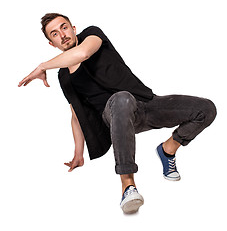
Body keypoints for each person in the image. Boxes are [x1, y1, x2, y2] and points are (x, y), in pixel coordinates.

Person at [18, 13, 217, 214]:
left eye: (64, 27)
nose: (62, 34)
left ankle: (168, 150)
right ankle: (128, 187)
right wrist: (78, 153)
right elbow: (76, 113)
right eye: (54, 34)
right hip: (113, 115)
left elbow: (83, 53)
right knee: (121, 99)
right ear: (52, 44)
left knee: (206, 109)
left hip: (145, 104)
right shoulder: (64, 76)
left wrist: (42, 66)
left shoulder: (92, 35)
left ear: (73, 28)